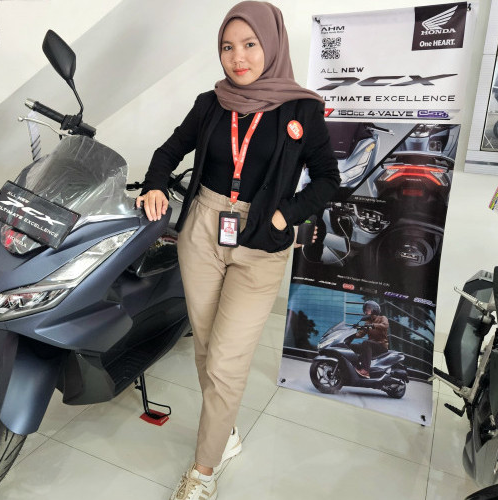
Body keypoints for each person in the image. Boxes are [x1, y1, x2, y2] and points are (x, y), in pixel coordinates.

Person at [136, 2, 340, 499]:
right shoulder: (211, 103)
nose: (238, 58)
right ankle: (223, 433)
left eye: (250, 45)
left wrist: (283, 216)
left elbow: (327, 180)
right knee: (207, 347)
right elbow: (169, 151)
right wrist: (155, 183)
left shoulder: (302, 110)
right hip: (203, 230)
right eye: (228, 47)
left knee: (225, 360)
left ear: (272, 45)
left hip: (262, 242)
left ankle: (203, 472)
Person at [352, 300, 389, 378]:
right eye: (365, 309)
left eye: (369, 308)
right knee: (351, 346)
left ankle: (365, 371)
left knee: (366, 342)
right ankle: (353, 368)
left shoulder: (382, 318)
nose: (366, 310)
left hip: (381, 345)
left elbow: (385, 325)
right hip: (370, 346)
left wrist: (373, 325)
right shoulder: (367, 322)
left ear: (375, 309)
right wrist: (351, 334)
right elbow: (360, 334)